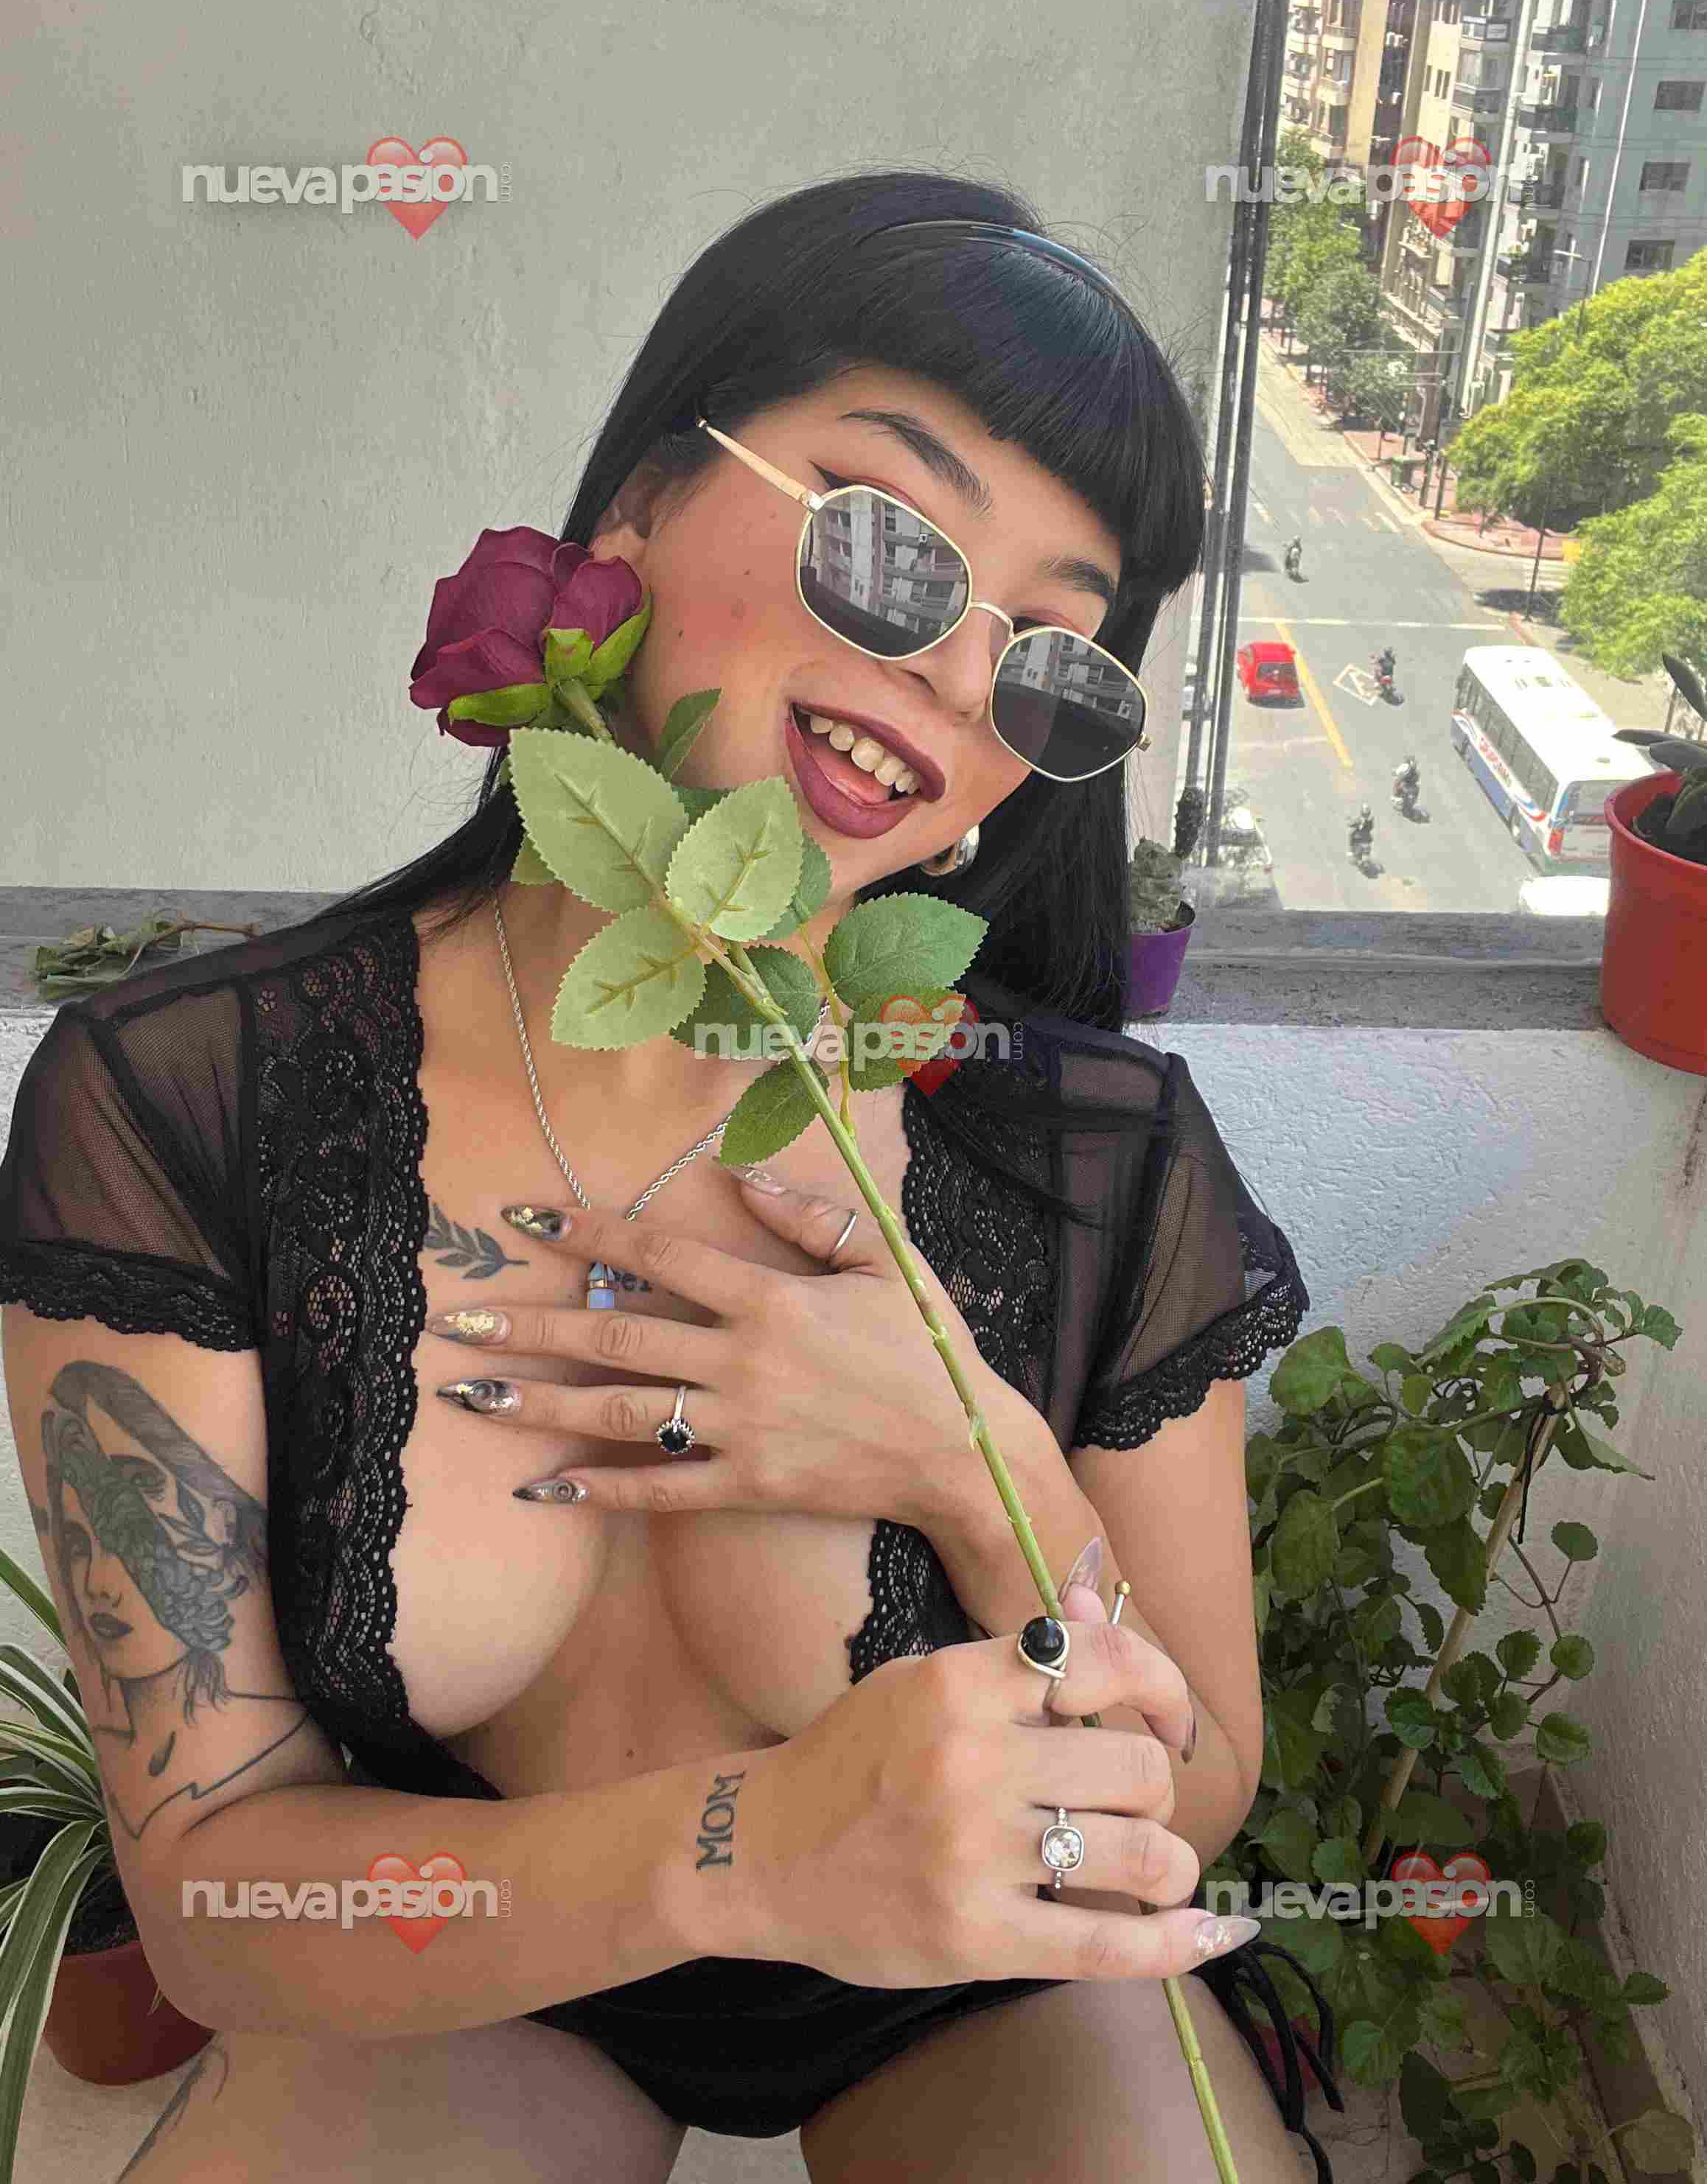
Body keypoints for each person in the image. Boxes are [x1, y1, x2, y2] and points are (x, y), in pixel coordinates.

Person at [0, 174, 1326, 2184]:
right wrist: (749, 1848)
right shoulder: (192, 1103)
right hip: (475, 1967)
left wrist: (982, 1465)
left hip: (987, 1986)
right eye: (886, 545)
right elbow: (217, 1895)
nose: (958, 676)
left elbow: (1187, 1791)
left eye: (1054, 656)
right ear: (630, 509)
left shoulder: (1095, 1155)